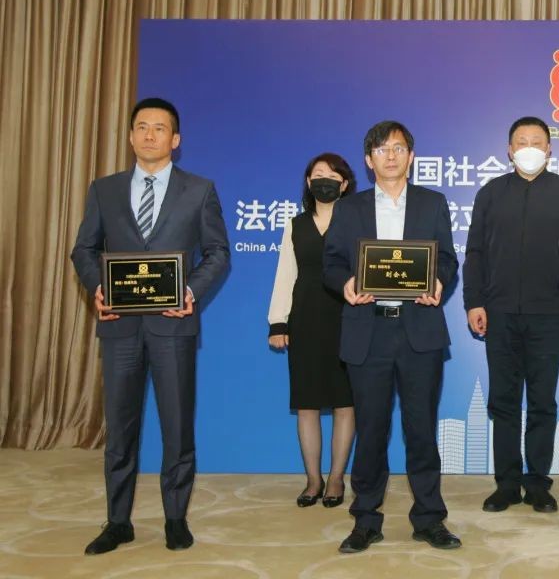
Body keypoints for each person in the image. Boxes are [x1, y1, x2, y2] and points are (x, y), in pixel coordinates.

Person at [70, 97, 230, 554]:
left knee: (177, 427)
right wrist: (98, 287)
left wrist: (190, 291)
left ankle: (175, 518)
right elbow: (84, 250)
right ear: (130, 136)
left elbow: (218, 253)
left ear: (175, 140)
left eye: (160, 128)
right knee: (120, 431)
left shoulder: (199, 190)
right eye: (142, 127)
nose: (149, 135)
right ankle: (117, 521)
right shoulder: (104, 189)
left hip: (173, 328)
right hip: (119, 327)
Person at [323, 120, 462, 554]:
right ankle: (366, 519)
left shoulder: (432, 203)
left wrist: (438, 281)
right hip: (368, 332)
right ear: (369, 160)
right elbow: (331, 264)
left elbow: (447, 259)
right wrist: (346, 283)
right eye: (382, 149)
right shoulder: (350, 208)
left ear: (411, 156)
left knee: (421, 430)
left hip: (419, 330)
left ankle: (429, 518)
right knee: (371, 430)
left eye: (398, 148)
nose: (390, 155)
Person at [463, 116, 559, 514]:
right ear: (509, 150)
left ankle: (537, 484)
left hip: (548, 314)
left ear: (549, 150)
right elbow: (475, 252)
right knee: (503, 400)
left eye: (537, 141)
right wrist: (474, 301)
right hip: (498, 312)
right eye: (521, 141)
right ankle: (506, 483)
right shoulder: (491, 193)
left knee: (541, 401)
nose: (529, 147)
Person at [268, 153, 357, 508]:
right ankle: (313, 480)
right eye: (318, 174)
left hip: (348, 317)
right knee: (306, 403)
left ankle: (336, 479)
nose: (324, 180)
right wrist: (278, 321)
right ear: (308, 182)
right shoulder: (296, 224)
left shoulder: (356, 222)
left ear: (344, 184)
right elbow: (285, 275)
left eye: (332, 175)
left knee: (345, 402)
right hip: (305, 317)